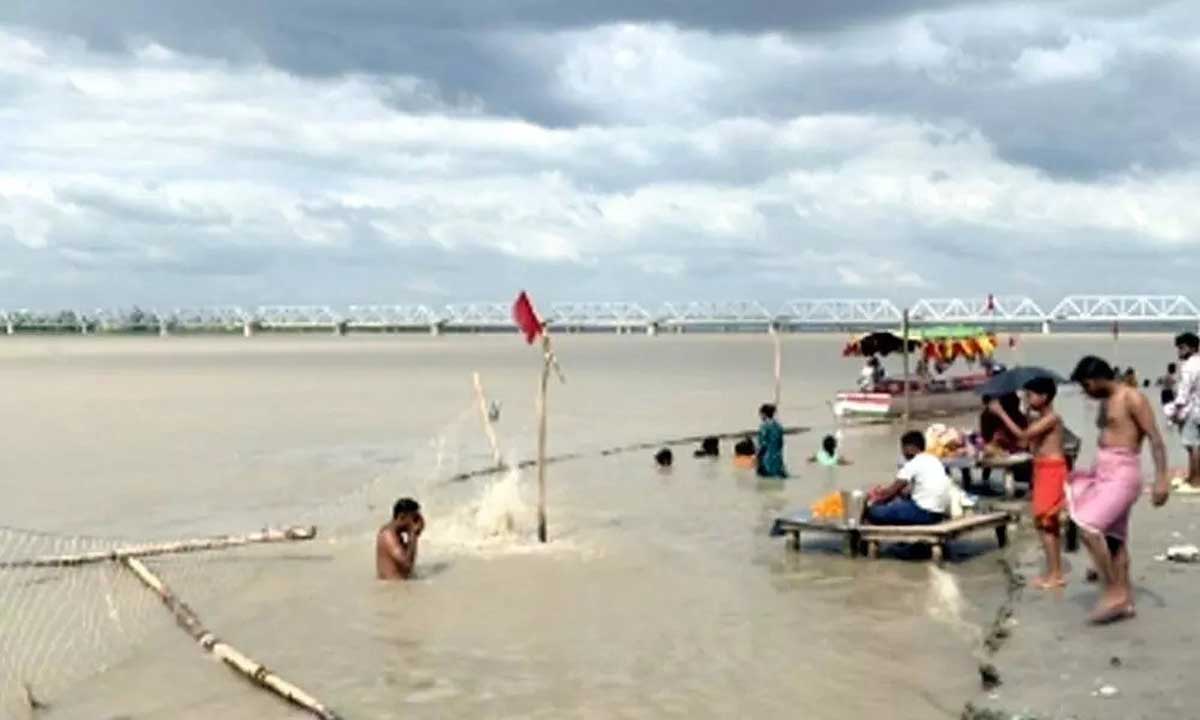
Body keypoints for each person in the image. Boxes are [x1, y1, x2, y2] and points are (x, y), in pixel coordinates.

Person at [1069, 356, 1169, 623]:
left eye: (1086, 385)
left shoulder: (1132, 398)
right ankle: (1125, 600)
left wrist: (1162, 478)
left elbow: (1156, 439)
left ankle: (1113, 591)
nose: (1085, 392)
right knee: (1114, 540)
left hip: (1124, 473)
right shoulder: (1105, 402)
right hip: (1105, 471)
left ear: (1096, 379)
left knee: (1088, 528)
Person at [989, 377, 1067, 589]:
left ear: (1044, 397)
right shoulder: (1039, 418)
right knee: (1043, 523)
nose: (1027, 398)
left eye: (1030, 395)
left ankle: (1056, 574)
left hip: (1052, 470)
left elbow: (1024, 434)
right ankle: (1054, 572)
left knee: (1047, 523)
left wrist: (1002, 413)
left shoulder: (1052, 418)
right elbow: (1026, 442)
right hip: (1042, 468)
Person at [864, 431, 951, 525]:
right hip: (938, 514)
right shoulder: (933, 460)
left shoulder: (912, 464)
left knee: (875, 512)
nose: (902, 452)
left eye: (903, 448)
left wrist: (872, 502)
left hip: (924, 513)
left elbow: (891, 492)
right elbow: (916, 490)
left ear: (909, 448)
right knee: (899, 504)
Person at [1164, 333, 1200, 490]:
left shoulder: (1189, 367)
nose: (1179, 351)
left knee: (1192, 446)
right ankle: (1193, 477)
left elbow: (1184, 392)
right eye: (1178, 347)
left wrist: (1174, 412)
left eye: (1182, 347)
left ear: (1192, 348)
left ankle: (1195, 481)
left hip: (1192, 410)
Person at [376, 497, 424, 580]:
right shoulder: (388, 536)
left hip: (398, 587)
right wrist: (413, 534)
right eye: (414, 519)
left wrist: (414, 533)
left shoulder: (396, 534)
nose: (416, 522)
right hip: (393, 589)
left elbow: (407, 567)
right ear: (402, 517)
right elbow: (408, 564)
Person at [756, 404, 787, 478]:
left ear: (763, 414)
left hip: (766, 460)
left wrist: (757, 458)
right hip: (778, 459)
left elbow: (763, 445)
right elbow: (780, 444)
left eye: (760, 414)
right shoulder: (779, 426)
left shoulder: (764, 426)